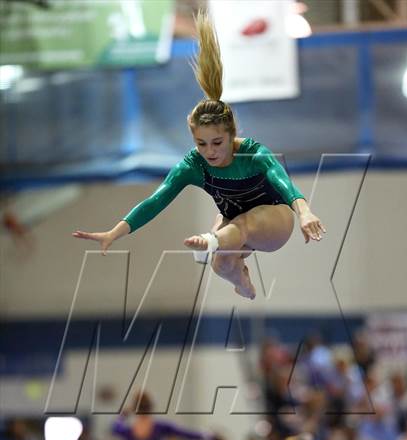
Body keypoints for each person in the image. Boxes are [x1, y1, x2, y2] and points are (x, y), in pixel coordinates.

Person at [73, 11, 326, 300]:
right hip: (233, 221)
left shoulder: (253, 153)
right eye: (201, 143)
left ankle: (212, 240)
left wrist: (304, 212)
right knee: (220, 265)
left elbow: (282, 180)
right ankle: (241, 281)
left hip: (274, 220)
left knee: (239, 227)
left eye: (217, 142)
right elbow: (156, 200)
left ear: (232, 135)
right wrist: (114, 233)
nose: (210, 152)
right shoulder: (192, 165)